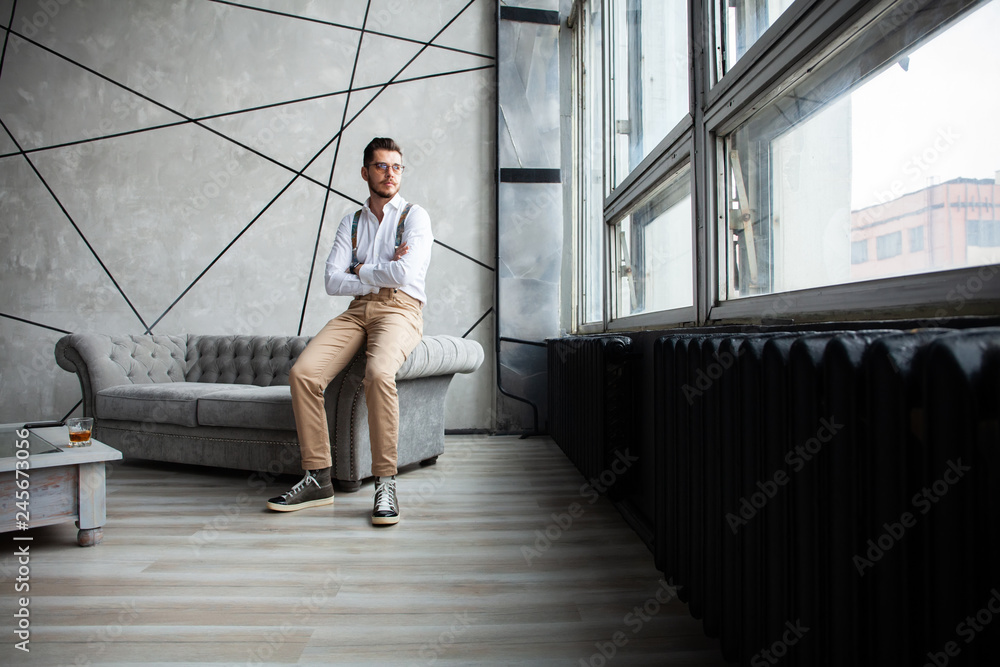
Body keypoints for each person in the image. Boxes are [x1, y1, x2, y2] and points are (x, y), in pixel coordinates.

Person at [267, 137, 433, 526]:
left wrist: (359, 271)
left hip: (401, 307)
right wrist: (376, 273)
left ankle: (385, 481)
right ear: (365, 172)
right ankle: (318, 477)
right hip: (357, 311)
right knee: (303, 374)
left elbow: (405, 275)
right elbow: (330, 281)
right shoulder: (352, 222)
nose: (390, 174)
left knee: (378, 373)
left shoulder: (414, 217)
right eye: (381, 166)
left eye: (396, 167)